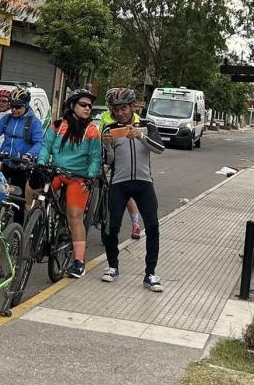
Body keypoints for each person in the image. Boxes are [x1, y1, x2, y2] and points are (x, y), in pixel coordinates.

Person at [99, 87, 164, 292]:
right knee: (112, 227)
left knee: (153, 226)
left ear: (133, 107)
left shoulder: (147, 125)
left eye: (124, 108)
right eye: (116, 109)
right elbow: (108, 160)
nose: (120, 113)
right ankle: (112, 267)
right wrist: (107, 146)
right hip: (119, 183)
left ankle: (150, 274)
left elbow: (160, 148)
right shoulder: (110, 128)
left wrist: (141, 136)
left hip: (144, 183)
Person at [38, 89, 102, 279]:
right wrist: (41, 163)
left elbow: (95, 157)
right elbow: (46, 146)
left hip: (78, 178)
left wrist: (90, 176)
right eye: (84, 105)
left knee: (74, 217)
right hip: (57, 172)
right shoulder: (57, 125)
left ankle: (78, 261)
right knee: (34, 190)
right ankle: (32, 229)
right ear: (72, 106)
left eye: (90, 106)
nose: (88, 108)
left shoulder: (91, 131)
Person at [0, 86, 44, 222]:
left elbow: (39, 143)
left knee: (18, 200)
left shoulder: (33, 122)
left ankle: (16, 232)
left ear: (26, 105)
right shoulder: (7, 119)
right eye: (12, 106)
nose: (14, 110)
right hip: (4, 160)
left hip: (21, 165)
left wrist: (29, 155)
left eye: (18, 107)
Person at [98, 105, 144, 240]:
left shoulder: (135, 118)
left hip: (123, 157)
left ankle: (135, 225)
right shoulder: (105, 116)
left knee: (128, 195)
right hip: (107, 149)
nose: (120, 113)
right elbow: (100, 132)